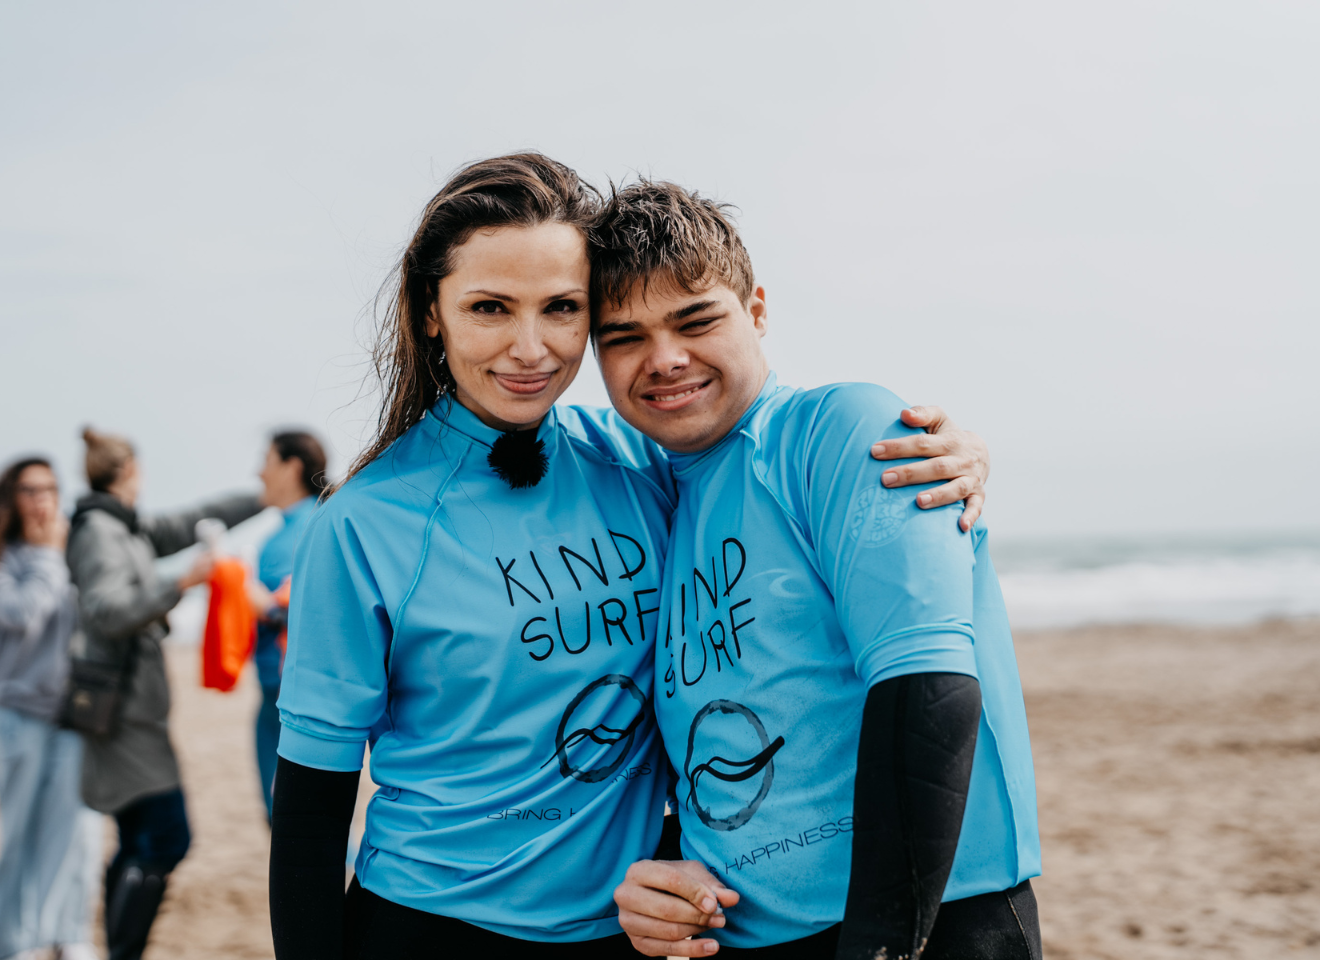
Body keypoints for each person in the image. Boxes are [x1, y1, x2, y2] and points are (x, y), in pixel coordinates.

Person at [268, 154, 992, 959]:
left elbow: (770, 546)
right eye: (490, 308)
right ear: (431, 313)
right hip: (430, 926)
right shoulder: (366, 524)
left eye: (562, 308)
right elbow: (308, 816)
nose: (529, 347)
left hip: (628, 933)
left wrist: (949, 452)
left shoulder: (639, 462)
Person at [593, 182, 1040, 958]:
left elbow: (929, 696)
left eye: (695, 319)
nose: (665, 358)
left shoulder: (837, 432)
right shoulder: (650, 496)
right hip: (749, 935)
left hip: (931, 921)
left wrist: (877, 946)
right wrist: (660, 870)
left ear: (756, 311)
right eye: (624, 335)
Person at [66, 427, 261, 960]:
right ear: (130, 471)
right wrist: (180, 583)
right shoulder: (99, 532)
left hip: (133, 712)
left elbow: (185, 521)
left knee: (139, 839)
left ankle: (118, 949)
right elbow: (107, 610)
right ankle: (123, 953)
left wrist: (263, 497)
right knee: (166, 834)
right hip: (122, 714)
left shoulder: (122, 527)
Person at [0, 458, 100, 960]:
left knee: (76, 833)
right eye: (30, 489)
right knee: (18, 838)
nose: (42, 499)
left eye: (51, 489)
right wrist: (48, 556)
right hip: (15, 716)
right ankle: (9, 946)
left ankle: (67, 936)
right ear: (8, 498)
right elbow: (24, 615)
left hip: (70, 714)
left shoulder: (63, 553)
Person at [246, 430, 327, 819]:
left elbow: (315, 607)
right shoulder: (318, 520)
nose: (258, 472)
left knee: (288, 815)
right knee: (302, 812)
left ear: (291, 467)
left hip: (288, 693)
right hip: (295, 690)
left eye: (266, 461)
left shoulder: (300, 531)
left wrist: (263, 605)